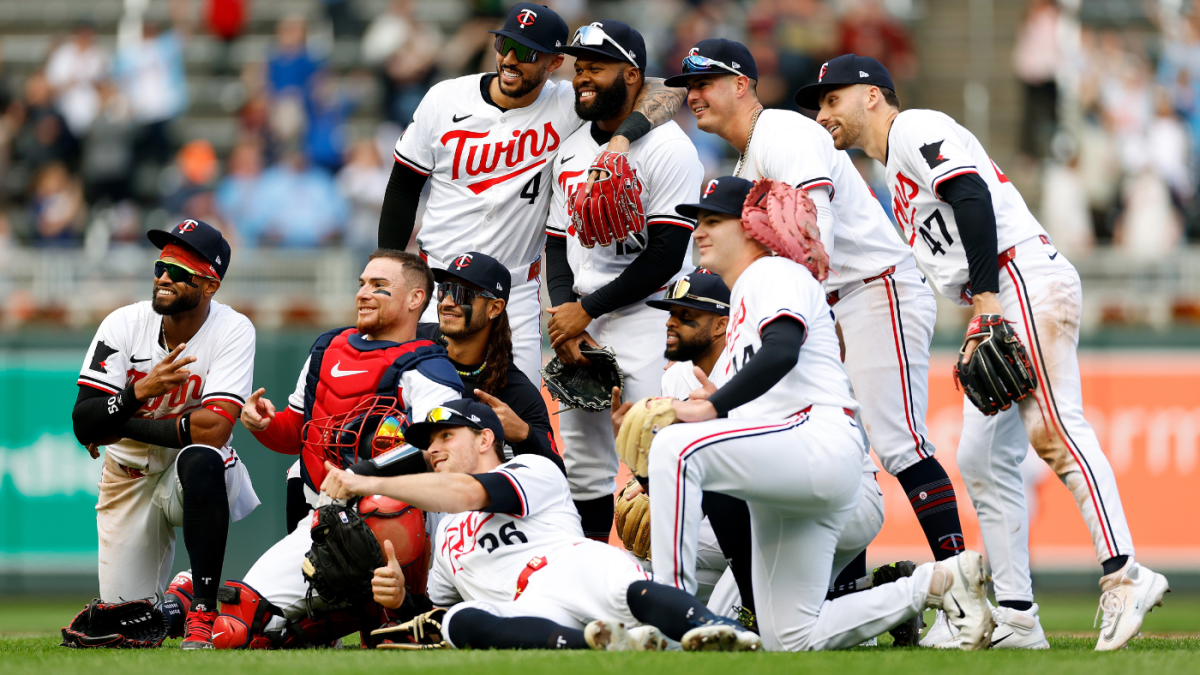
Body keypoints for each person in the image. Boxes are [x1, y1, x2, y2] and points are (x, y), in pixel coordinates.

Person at [806, 53, 1173, 652]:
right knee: (980, 457)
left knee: (1055, 431)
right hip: (1004, 286)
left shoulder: (915, 128)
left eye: (831, 98)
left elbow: (971, 196)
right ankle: (1018, 616)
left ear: (872, 95)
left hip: (1016, 277)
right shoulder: (892, 170)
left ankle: (1125, 571)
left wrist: (985, 305)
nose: (823, 114)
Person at [641, 178, 994, 652]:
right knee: (790, 636)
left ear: (751, 228)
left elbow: (783, 349)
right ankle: (936, 584)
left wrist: (710, 407)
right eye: (698, 221)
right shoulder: (744, 307)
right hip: (792, 481)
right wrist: (711, 406)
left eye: (712, 221)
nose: (698, 231)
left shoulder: (773, 274)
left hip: (817, 441)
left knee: (675, 450)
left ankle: (674, 617)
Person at [667, 39, 968, 572]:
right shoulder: (748, 156)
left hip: (873, 288)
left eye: (704, 83)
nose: (693, 95)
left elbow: (813, 238)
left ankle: (959, 576)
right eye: (688, 86)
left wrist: (812, 319)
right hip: (828, 302)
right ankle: (850, 590)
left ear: (742, 85)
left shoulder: (786, 133)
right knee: (834, 447)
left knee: (898, 443)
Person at [377, 2, 687, 385]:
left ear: (554, 63)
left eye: (527, 52)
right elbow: (403, 187)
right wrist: (389, 271)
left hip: (514, 292)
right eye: (504, 44)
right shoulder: (445, 98)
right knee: (420, 407)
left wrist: (623, 136)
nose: (510, 59)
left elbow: (663, 89)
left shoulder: (569, 103)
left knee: (515, 416)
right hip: (437, 280)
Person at [321, 399, 762, 652]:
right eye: (429, 444)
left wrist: (370, 481)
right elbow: (429, 615)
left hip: (573, 568)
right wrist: (400, 600)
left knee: (611, 580)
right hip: (530, 609)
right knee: (460, 620)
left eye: (445, 437)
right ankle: (594, 645)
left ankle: (710, 628)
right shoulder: (449, 537)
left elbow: (470, 492)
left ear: (485, 438)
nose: (433, 450)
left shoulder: (533, 469)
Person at [215, 249, 464, 649]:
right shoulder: (328, 347)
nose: (363, 293)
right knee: (238, 628)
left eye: (379, 287)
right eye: (362, 284)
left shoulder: (429, 368)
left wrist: (368, 476)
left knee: (385, 503)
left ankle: (397, 609)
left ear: (416, 299)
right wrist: (265, 424)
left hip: (393, 519)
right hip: (324, 518)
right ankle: (356, 614)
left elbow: (449, 451)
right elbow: (297, 432)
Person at [544, 20, 703, 539]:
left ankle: (674, 587)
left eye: (596, 67)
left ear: (631, 74)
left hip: (648, 318)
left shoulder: (667, 147)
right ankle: (590, 585)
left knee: (652, 457)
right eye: (579, 67)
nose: (582, 77)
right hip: (583, 317)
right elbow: (555, 244)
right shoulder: (569, 150)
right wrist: (569, 317)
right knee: (586, 466)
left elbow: (665, 255)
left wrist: (584, 312)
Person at [71, 219, 257, 650]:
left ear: (210, 285)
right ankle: (178, 600)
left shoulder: (232, 329)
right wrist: (141, 391)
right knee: (128, 622)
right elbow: (83, 420)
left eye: (180, 272)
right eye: (160, 268)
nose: (164, 278)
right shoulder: (122, 324)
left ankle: (204, 612)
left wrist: (117, 420)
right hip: (128, 476)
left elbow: (212, 430)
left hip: (191, 473)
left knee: (203, 457)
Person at [418, 251, 562, 472]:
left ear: (494, 308)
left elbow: (556, 472)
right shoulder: (412, 340)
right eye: (444, 290)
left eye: (461, 294)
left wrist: (524, 434)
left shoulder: (515, 390)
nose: (447, 302)